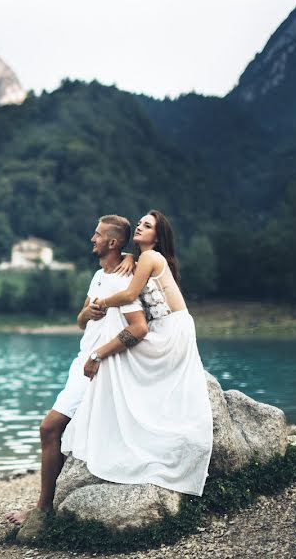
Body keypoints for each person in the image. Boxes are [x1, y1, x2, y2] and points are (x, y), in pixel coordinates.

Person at [5, 214, 149, 526]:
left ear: (112, 242)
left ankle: (43, 510)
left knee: (49, 429)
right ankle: (51, 504)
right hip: (81, 361)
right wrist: (86, 312)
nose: (91, 239)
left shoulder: (124, 280)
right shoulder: (99, 276)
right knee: (63, 432)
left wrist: (98, 356)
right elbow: (82, 321)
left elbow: (139, 328)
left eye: (97, 235)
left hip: (98, 367)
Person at [63, 209, 213, 496]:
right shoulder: (141, 258)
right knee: (121, 353)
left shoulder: (150, 257)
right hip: (164, 326)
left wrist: (102, 303)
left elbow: (130, 296)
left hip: (171, 329)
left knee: (119, 353)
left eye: (148, 226)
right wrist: (131, 257)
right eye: (140, 224)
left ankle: (124, 425)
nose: (141, 228)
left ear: (158, 237)